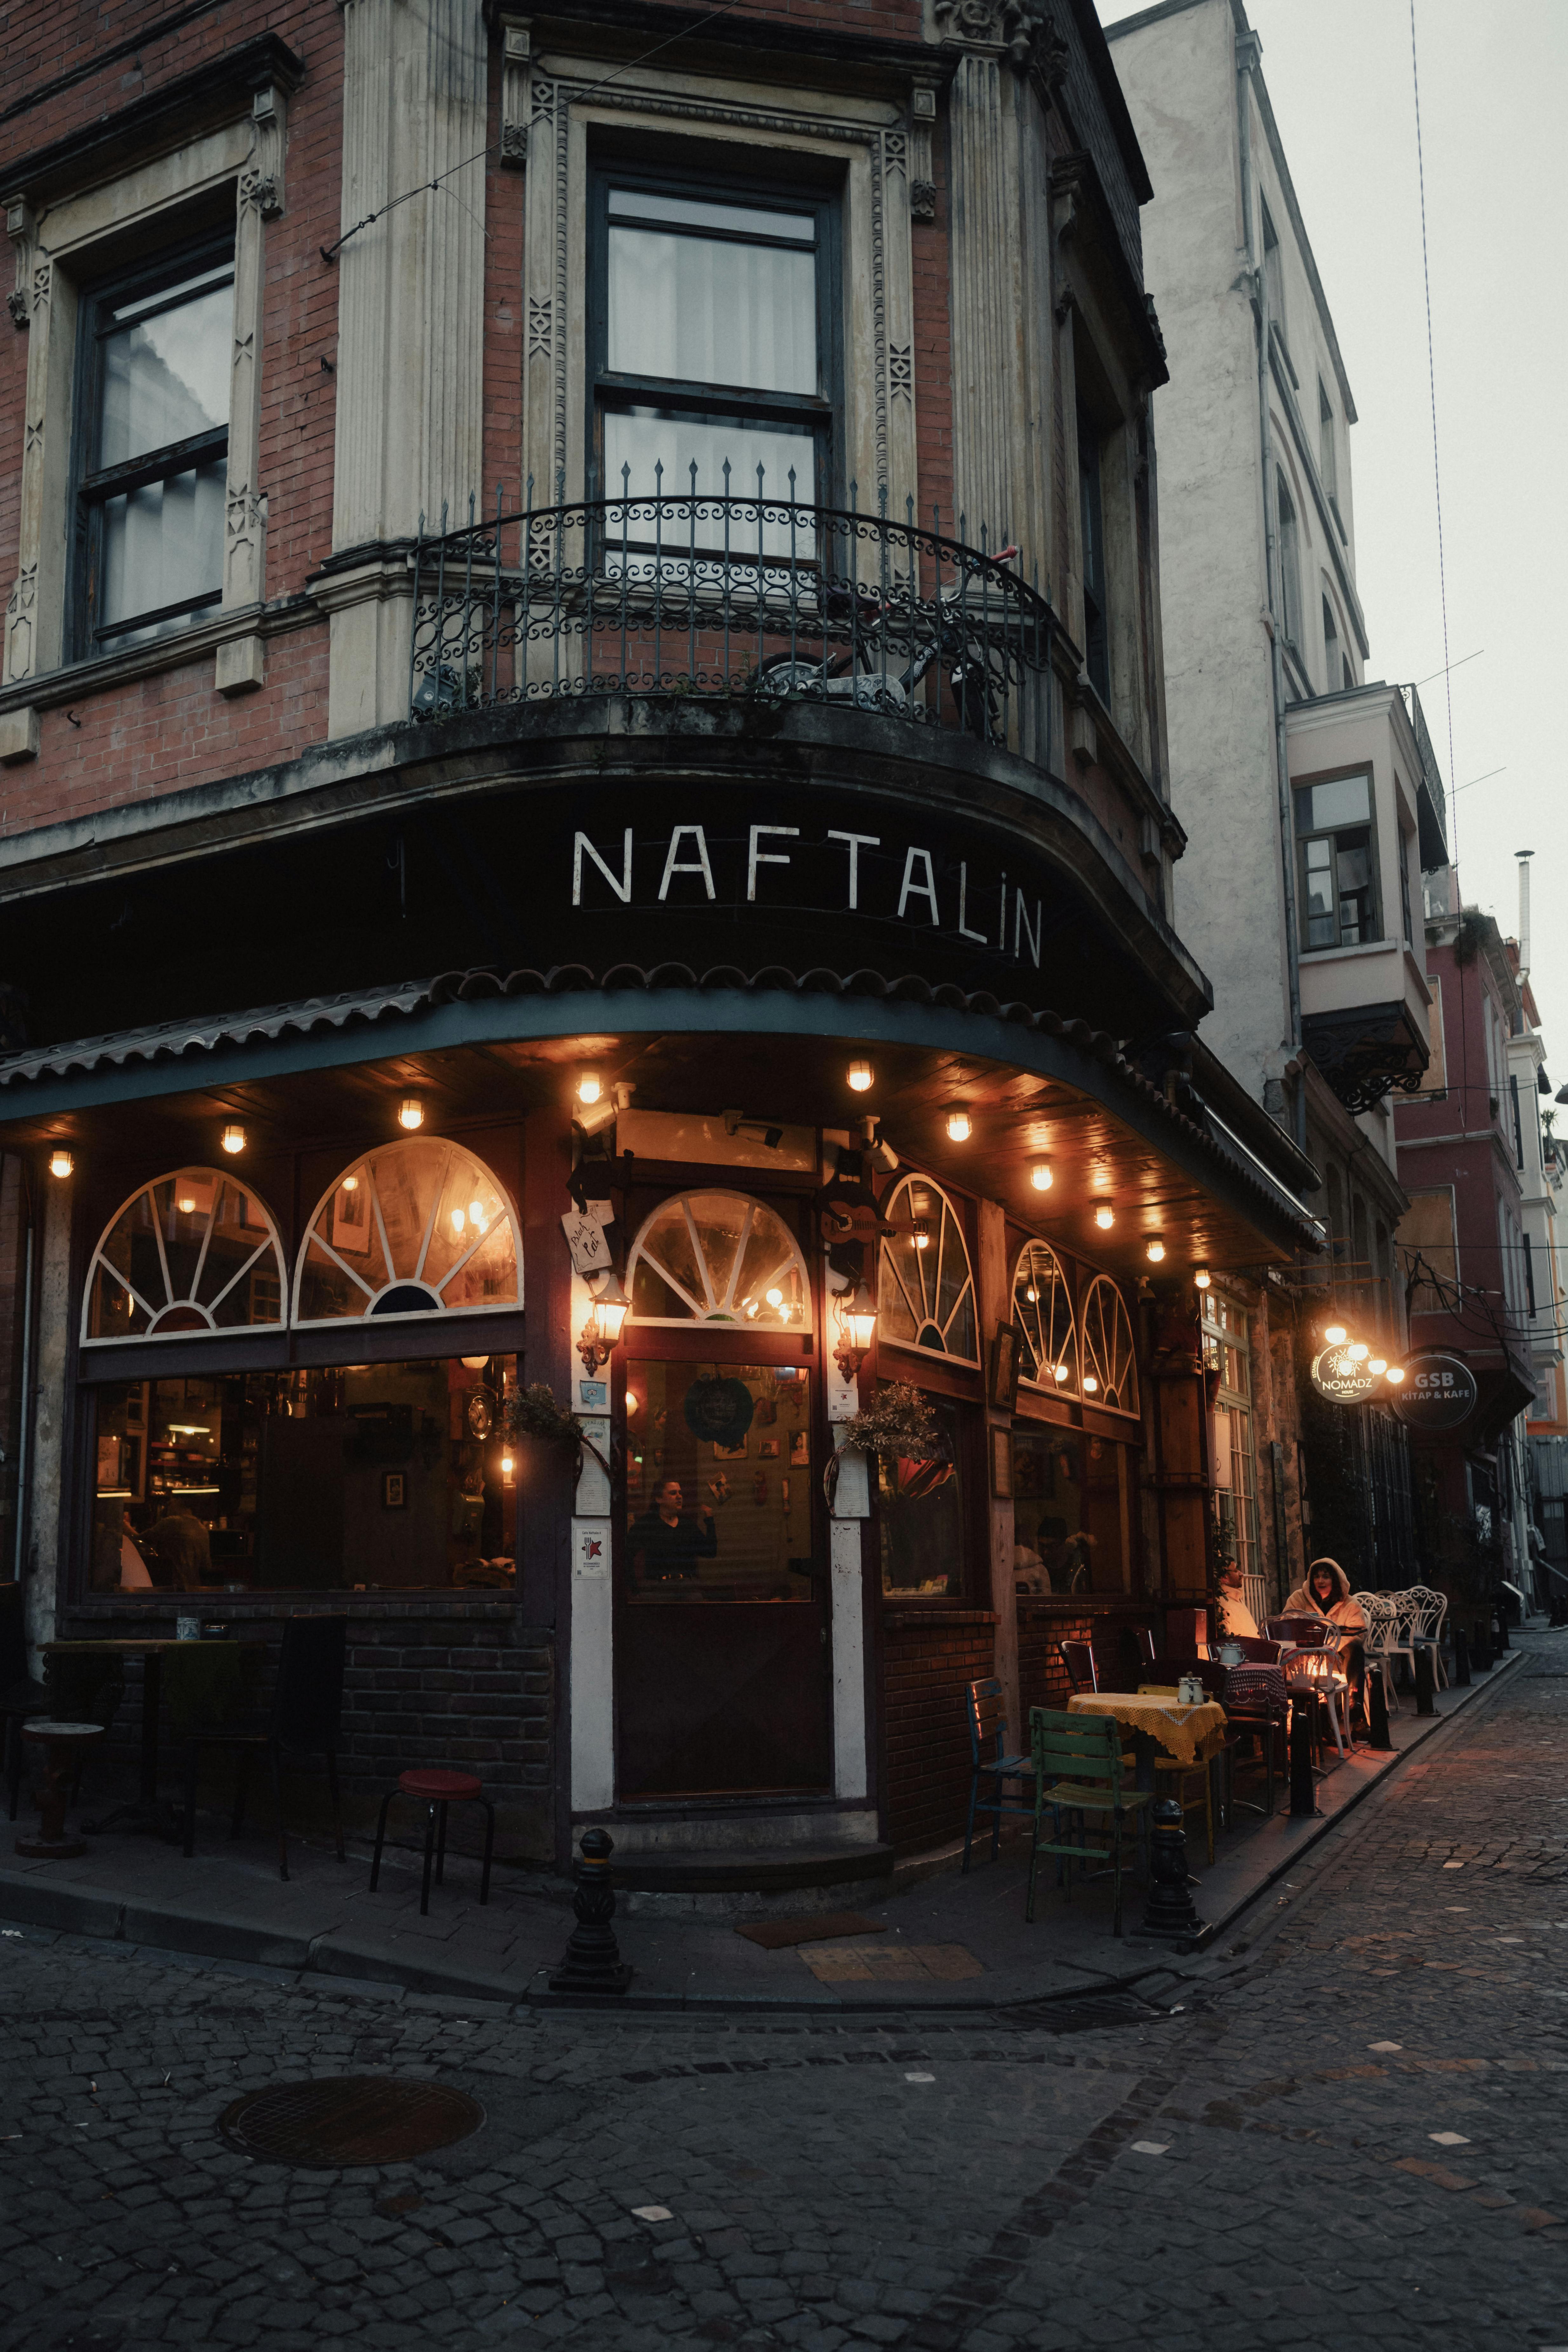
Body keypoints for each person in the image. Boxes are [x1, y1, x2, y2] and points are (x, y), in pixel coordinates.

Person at [628, 1477, 718, 1591]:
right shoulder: (647, 1524)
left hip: (687, 1587)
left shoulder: (687, 1525)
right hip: (658, 1589)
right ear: (659, 1499)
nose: (679, 1496)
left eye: (680, 1493)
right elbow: (626, 1556)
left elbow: (711, 1552)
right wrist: (634, 1589)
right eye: (673, 1493)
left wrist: (710, 1521)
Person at [1216, 1562, 1258, 1640]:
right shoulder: (1223, 1604)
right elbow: (1225, 1642)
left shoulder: (1236, 1598)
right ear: (1225, 1578)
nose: (1241, 1574)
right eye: (1235, 1571)